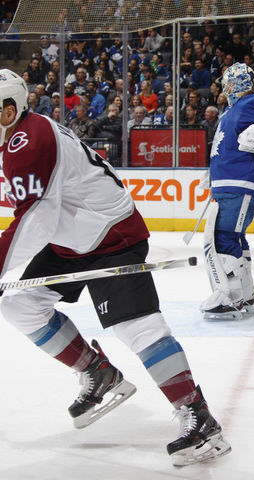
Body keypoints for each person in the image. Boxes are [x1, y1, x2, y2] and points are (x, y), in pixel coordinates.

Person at [0, 69, 230, 466]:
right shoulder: (18, 136)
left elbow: (35, 216)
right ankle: (99, 374)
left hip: (111, 236)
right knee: (20, 304)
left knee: (136, 325)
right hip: (71, 238)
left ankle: (198, 416)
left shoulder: (27, 141)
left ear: (7, 111)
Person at [201, 63, 254, 319]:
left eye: (228, 83)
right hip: (230, 185)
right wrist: (213, 170)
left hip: (240, 185)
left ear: (237, 83)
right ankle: (244, 295)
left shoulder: (252, 103)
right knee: (234, 237)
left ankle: (231, 298)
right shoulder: (230, 111)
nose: (225, 88)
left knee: (222, 237)